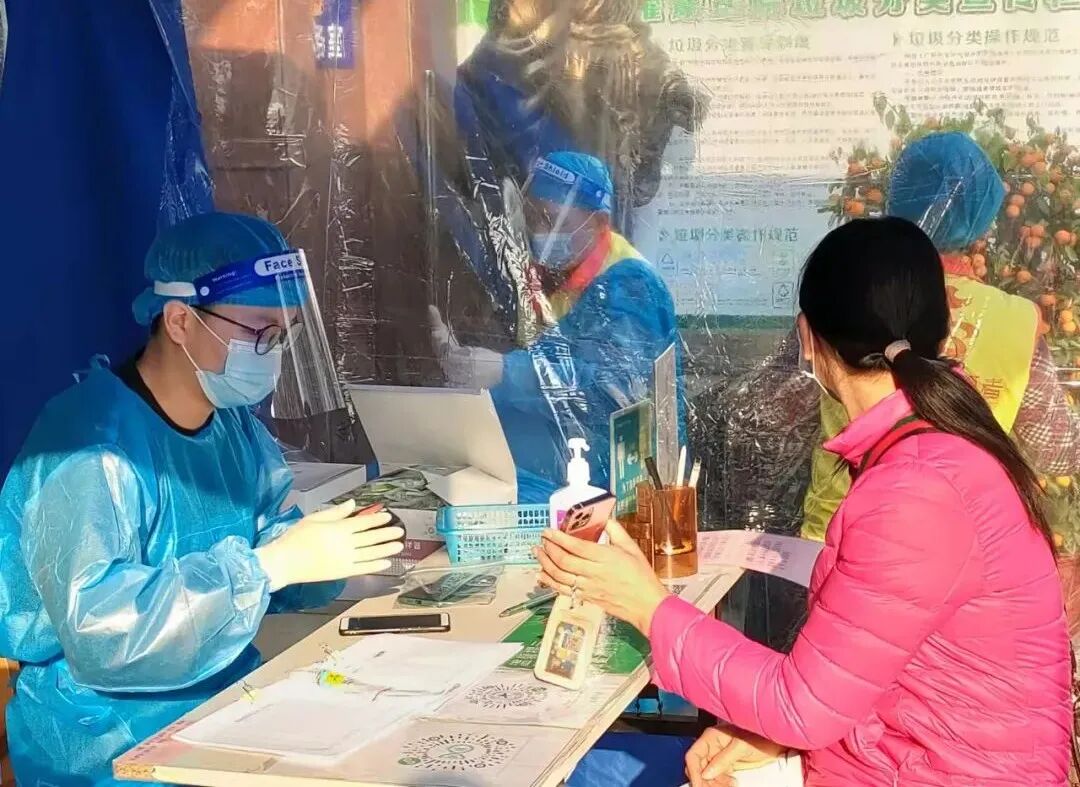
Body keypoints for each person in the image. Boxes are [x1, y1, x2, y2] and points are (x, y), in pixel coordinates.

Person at [545, 218, 1071, 786]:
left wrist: (647, 605)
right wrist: (767, 731)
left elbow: (801, 705)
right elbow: (858, 675)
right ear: (942, 332)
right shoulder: (939, 446)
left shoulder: (917, 492)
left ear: (806, 337)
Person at [0, 211, 405, 786]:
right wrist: (269, 566)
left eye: (285, 334)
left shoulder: (231, 427)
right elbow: (100, 633)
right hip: (105, 740)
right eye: (259, 330)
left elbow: (267, 536)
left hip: (225, 704)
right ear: (180, 320)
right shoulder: (90, 448)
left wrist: (337, 553)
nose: (272, 352)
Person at [803, 131, 1080, 542]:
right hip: (962, 540)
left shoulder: (843, 289)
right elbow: (1056, 450)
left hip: (834, 534)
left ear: (896, 201)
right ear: (984, 217)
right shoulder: (1016, 320)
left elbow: (783, 413)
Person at [430, 151, 683, 501]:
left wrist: (504, 372)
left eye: (553, 220)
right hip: (562, 472)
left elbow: (609, 390)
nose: (539, 232)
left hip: (621, 488)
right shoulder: (560, 277)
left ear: (598, 223)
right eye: (533, 216)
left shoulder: (629, 284)